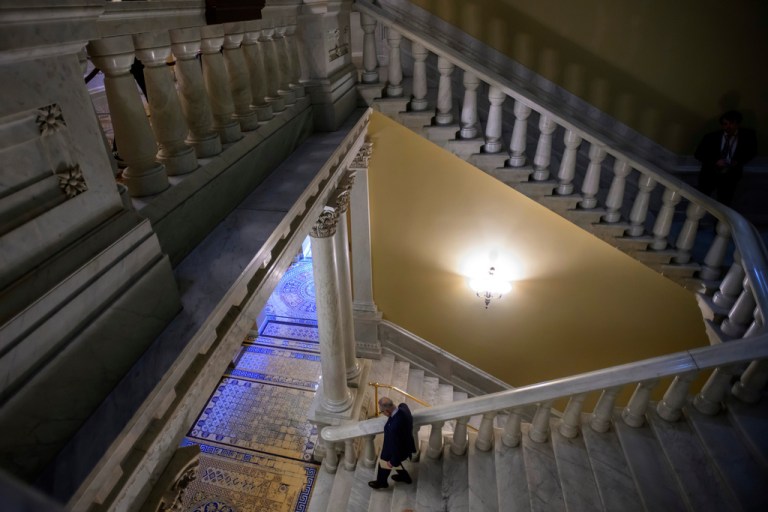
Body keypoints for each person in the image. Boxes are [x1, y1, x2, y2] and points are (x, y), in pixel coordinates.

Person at [695, 110, 757, 206]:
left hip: (730, 176)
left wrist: (737, 162)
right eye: (725, 124)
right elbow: (698, 154)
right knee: (700, 201)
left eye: (731, 123)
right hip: (709, 174)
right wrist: (715, 161)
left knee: (724, 203)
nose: (728, 127)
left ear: (737, 123)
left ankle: (719, 221)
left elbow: (752, 152)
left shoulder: (747, 136)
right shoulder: (711, 137)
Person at [368, 397, 417, 490]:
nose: (383, 414)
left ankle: (381, 482)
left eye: (382, 412)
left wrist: (393, 461)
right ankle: (405, 477)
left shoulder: (394, 427)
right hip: (406, 444)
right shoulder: (403, 408)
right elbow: (403, 405)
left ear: (387, 411)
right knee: (394, 463)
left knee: (384, 463)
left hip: (396, 449)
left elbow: (397, 447)